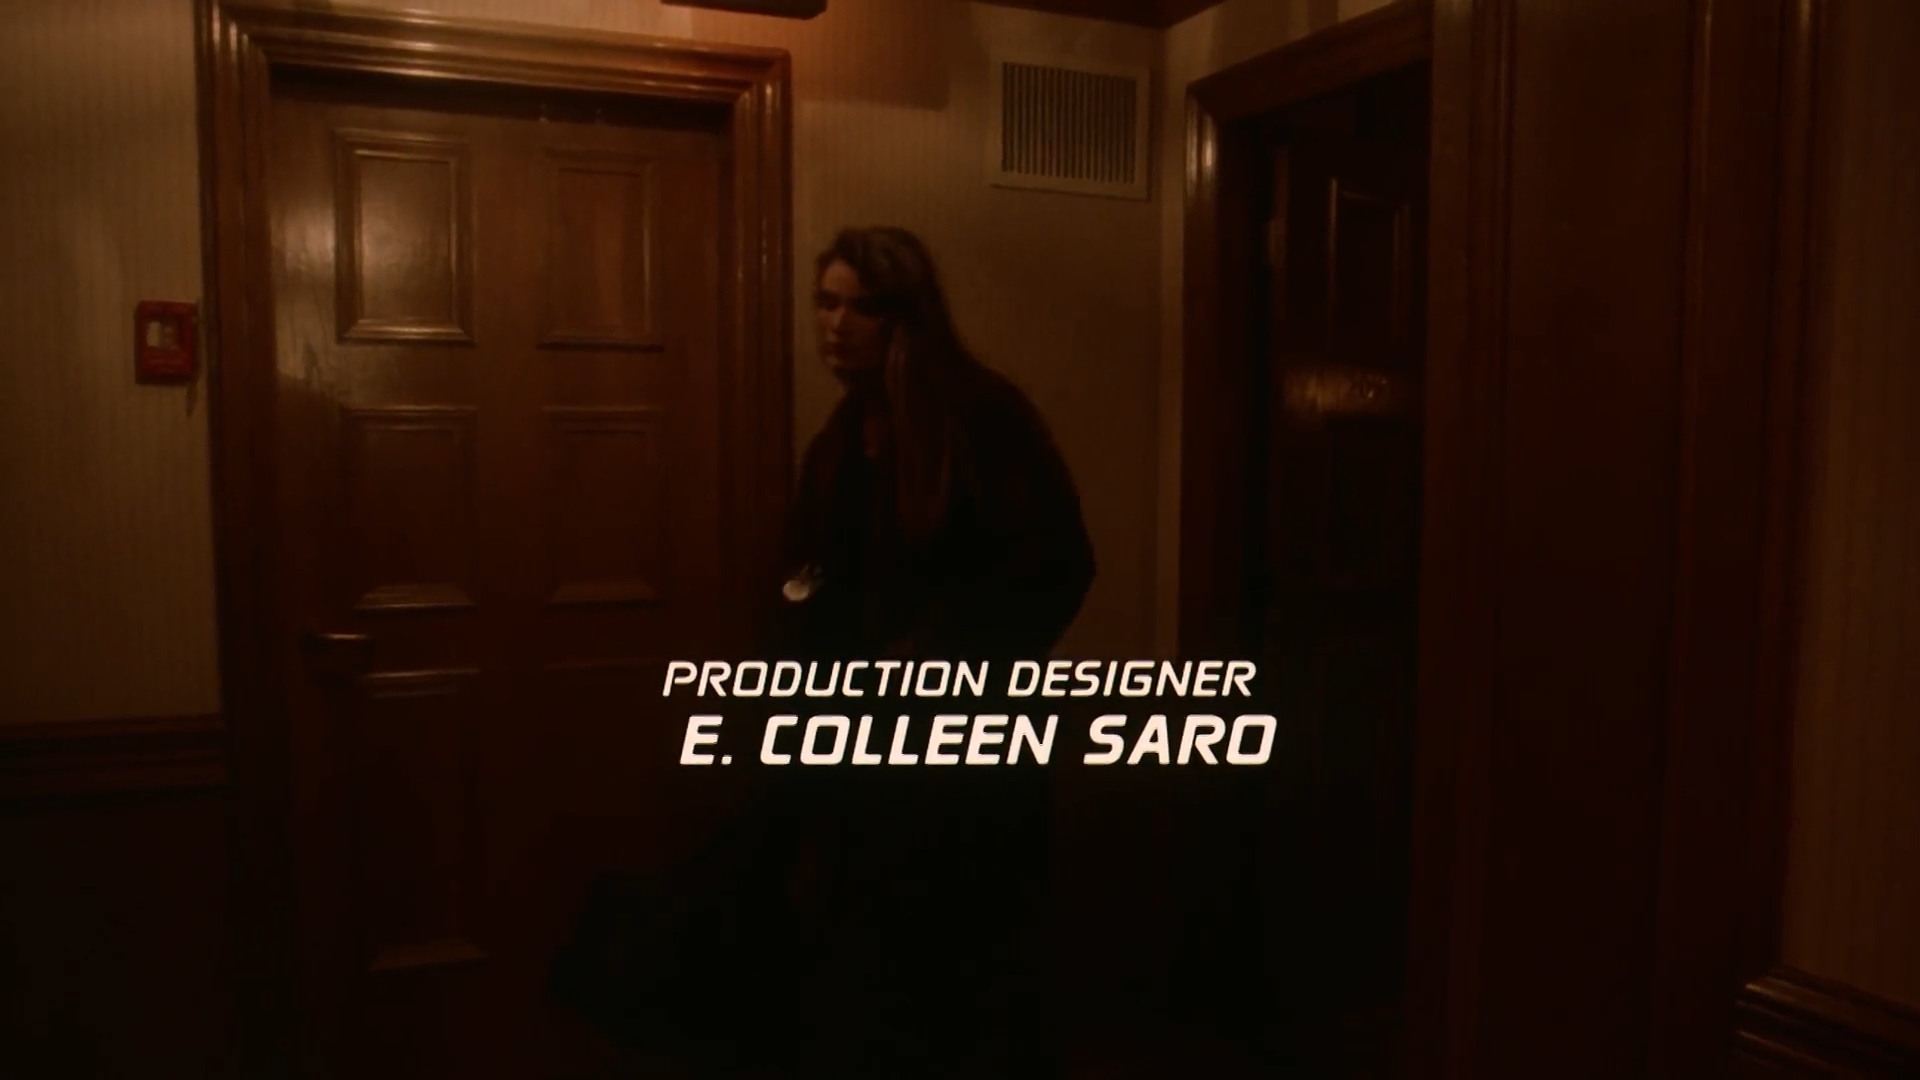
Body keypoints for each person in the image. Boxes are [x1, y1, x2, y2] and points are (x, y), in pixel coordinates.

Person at [551, 225, 1095, 1078]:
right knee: (855, 962)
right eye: (825, 303)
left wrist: (933, 668)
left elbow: (1057, 567)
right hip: (851, 747)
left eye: (860, 307)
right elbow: (808, 581)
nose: (835, 325)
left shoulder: (982, 419)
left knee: (965, 967)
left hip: (959, 752)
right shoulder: (843, 438)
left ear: (905, 318)